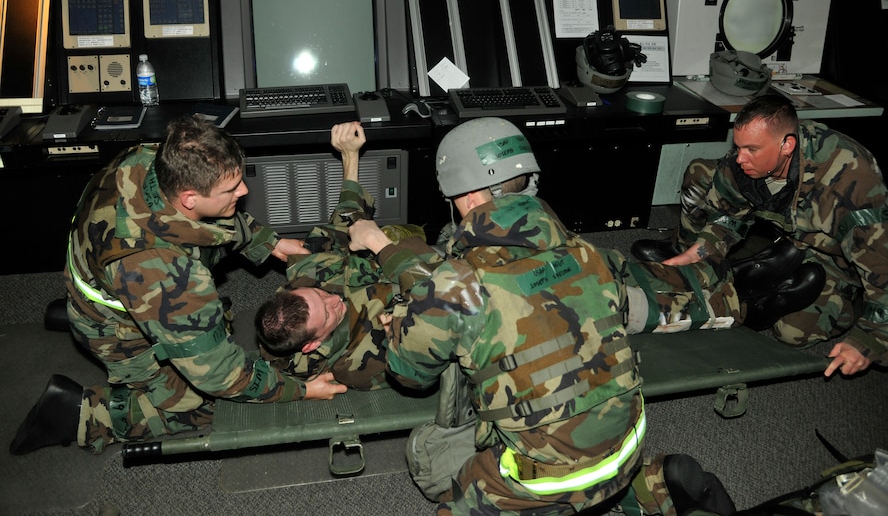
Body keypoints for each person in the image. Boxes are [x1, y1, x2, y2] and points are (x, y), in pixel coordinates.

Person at [345, 117, 798, 515]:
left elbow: (409, 375)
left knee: (433, 458)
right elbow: (637, 304)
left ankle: (628, 494)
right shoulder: (587, 253)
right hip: (630, 443)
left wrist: (399, 320)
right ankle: (651, 484)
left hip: (551, 479)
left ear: (464, 195)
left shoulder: (453, 287)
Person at [9, 115, 347, 456]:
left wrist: (269, 243)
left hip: (97, 274)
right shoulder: (168, 275)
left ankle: (94, 311)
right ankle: (77, 414)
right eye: (231, 189)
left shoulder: (147, 158)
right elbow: (221, 377)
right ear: (188, 199)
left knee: (189, 276)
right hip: (116, 322)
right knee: (205, 406)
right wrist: (300, 390)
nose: (244, 191)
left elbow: (214, 219)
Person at [631, 94, 888, 378]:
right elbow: (725, 217)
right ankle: (758, 271)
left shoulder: (851, 179)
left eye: (752, 149)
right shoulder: (742, 161)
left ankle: (848, 299)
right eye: (739, 147)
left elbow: (882, 268)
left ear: (787, 145)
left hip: (838, 257)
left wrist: (869, 339)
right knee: (702, 173)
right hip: (789, 233)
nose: (740, 157)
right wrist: (698, 252)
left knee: (790, 334)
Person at [254, 121, 441, 390]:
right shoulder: (358, 365)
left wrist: (350, 156)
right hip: (435, 288)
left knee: (389, 233)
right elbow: (442, 326)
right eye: (328, 314)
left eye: (319, 295)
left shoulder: (307, 277)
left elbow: (344, 222)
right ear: (313, 345)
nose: (333, 299)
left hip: (397, 258)